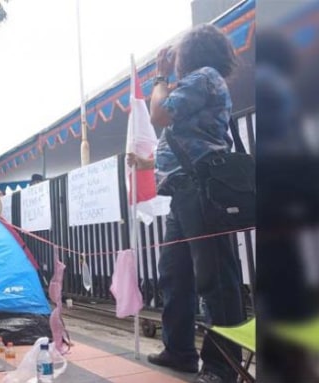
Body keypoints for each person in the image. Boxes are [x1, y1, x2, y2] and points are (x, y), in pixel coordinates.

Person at [128, 24, 245, 383]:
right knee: (175, 274)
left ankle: (222, 366)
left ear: (192, 53)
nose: (174, 58)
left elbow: (160, 115)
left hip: (204, 191)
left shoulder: (204, 77)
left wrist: (160, 76)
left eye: (178, 53)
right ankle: (179, 351)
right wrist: (150, 164)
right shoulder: (198, 83)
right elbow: (188, 138)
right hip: (185, 191)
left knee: (215, 280)